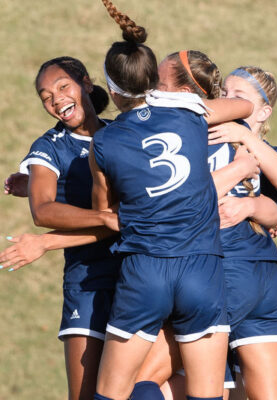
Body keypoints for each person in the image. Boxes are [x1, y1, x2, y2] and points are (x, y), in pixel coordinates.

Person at [91, 1, 254, 399]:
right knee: (206, 394)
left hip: (144, 268)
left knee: (111, 393)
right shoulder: (189, 110)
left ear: (111, 88)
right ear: (152, 79)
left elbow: (102, 213)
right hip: (201, 266)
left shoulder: (104, 141)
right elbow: (246, 106)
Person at [134, 54, 277, 400]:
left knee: (139, 380)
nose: (230, 101)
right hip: (257, 275)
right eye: (226, 93)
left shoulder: (261, 149)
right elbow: (273, 212)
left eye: (241, 97)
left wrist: (245, 144)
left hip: (222, 270)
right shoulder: (204, 134)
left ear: (263, 112)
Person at [0, 56, 121, 400]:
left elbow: (127, 219)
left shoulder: (122, 134)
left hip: (138, 275)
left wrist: (45, 244)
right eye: (45, 96)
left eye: (63, 86)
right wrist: (104, 217)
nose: (56, 99)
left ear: (86, 83)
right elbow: (42, 210)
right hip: (88, 282)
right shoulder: (48, 147)